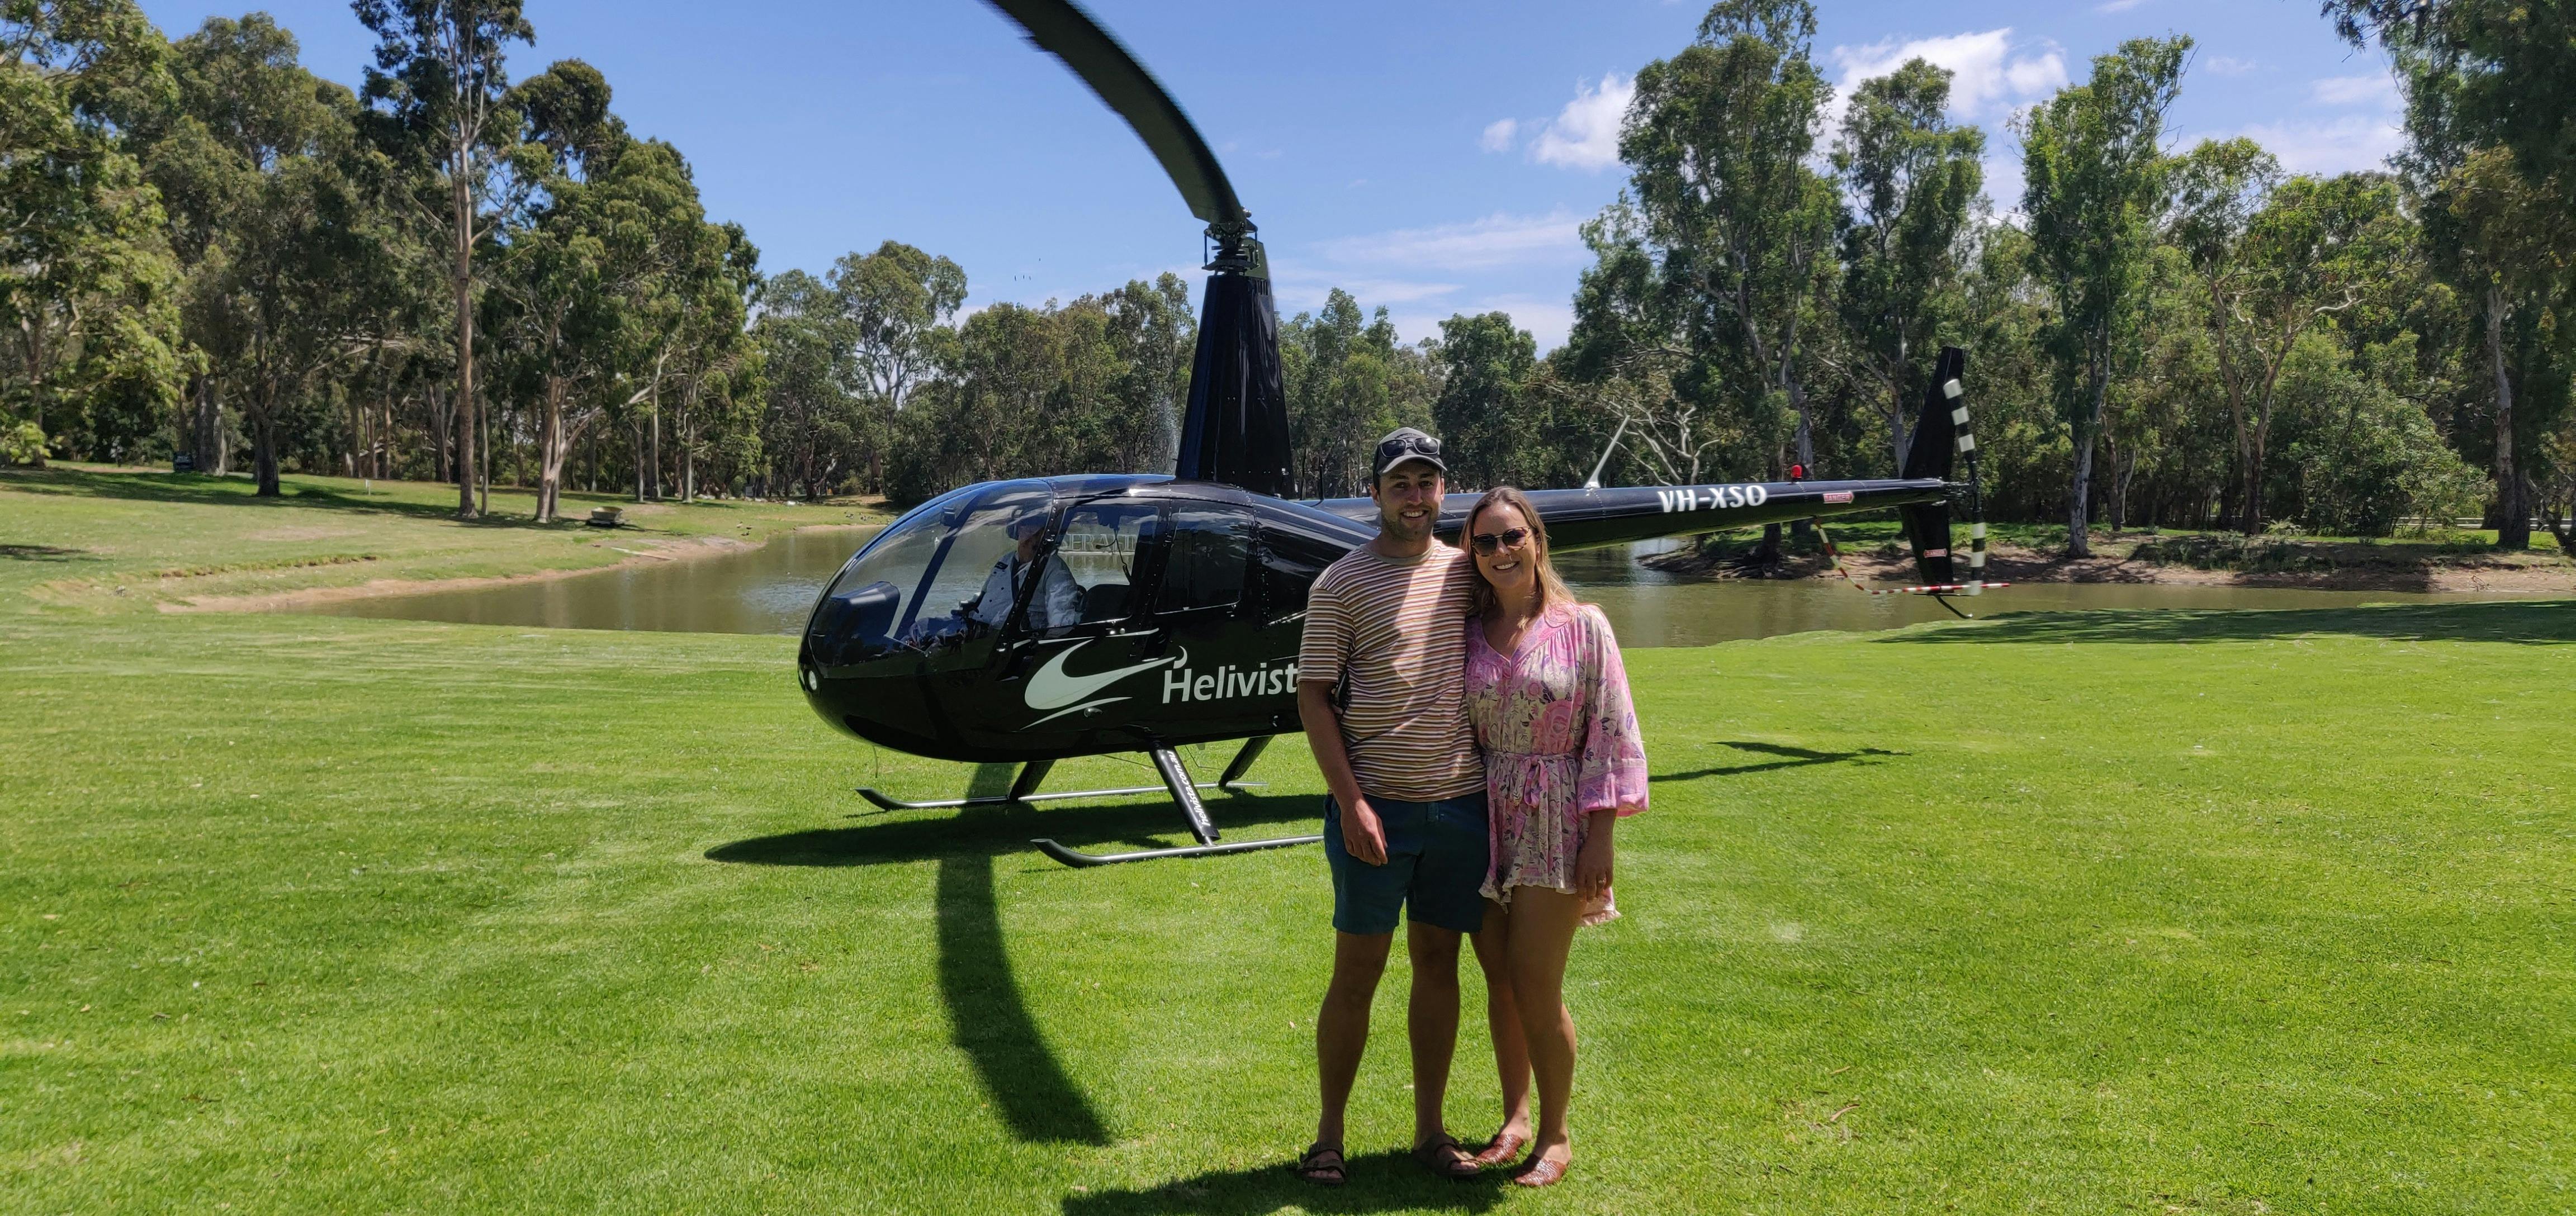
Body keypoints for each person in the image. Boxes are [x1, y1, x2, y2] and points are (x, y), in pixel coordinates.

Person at [1292, 427, 1490, 1186]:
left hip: (1460, 810)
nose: (1416, 497)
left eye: (1428, 482)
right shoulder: (1340, 583)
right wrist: (1351, 803)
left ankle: (1430, 1132)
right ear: (1374, 493)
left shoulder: (1469, 575)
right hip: (1377, 812)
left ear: (1445, 491)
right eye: (1401, 483)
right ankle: (1328, 1138)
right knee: (1357, 973)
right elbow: (1313, 696)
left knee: (1439, 965)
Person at [1455, 485, 1647, 1189]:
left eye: (1512, 536)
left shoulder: (1583, 626)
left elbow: (1612, 731)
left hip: (1557, 819)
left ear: (1536, 539)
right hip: (1482, 816)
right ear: (1471, 553)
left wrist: (1601, 837)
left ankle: (1558, 1133)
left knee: (1537, 983)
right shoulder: (1468, 631)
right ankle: (1515, 1117)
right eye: (1485, 541)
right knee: (1500, 982)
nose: (1500, 552)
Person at [968, 509, 1081, 632]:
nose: (1030, 537)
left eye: (1037, 531)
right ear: (1016, 531)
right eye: (1026, 528)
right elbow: (984, 595)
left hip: (1010, 641)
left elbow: (1060, 622)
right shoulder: (1006, 560)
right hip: (978, 634)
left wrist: (1049, 643)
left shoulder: (1055, 569)